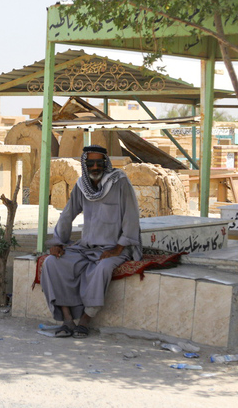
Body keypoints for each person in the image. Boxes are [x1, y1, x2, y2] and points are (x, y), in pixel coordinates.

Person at [41, 145, 142, 338]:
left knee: (103, 268)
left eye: (99, 163)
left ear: (106, 163)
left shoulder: (119, 182)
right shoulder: (82, 185)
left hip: (116, 248)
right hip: (86, 247)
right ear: (85, 165)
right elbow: (68, 214)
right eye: (91, 163)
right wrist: (58, 242)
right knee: (51, 263)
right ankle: (67, 319)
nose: (95, 167)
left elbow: (131, 216)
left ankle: (86, 319)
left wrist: (117, 249)